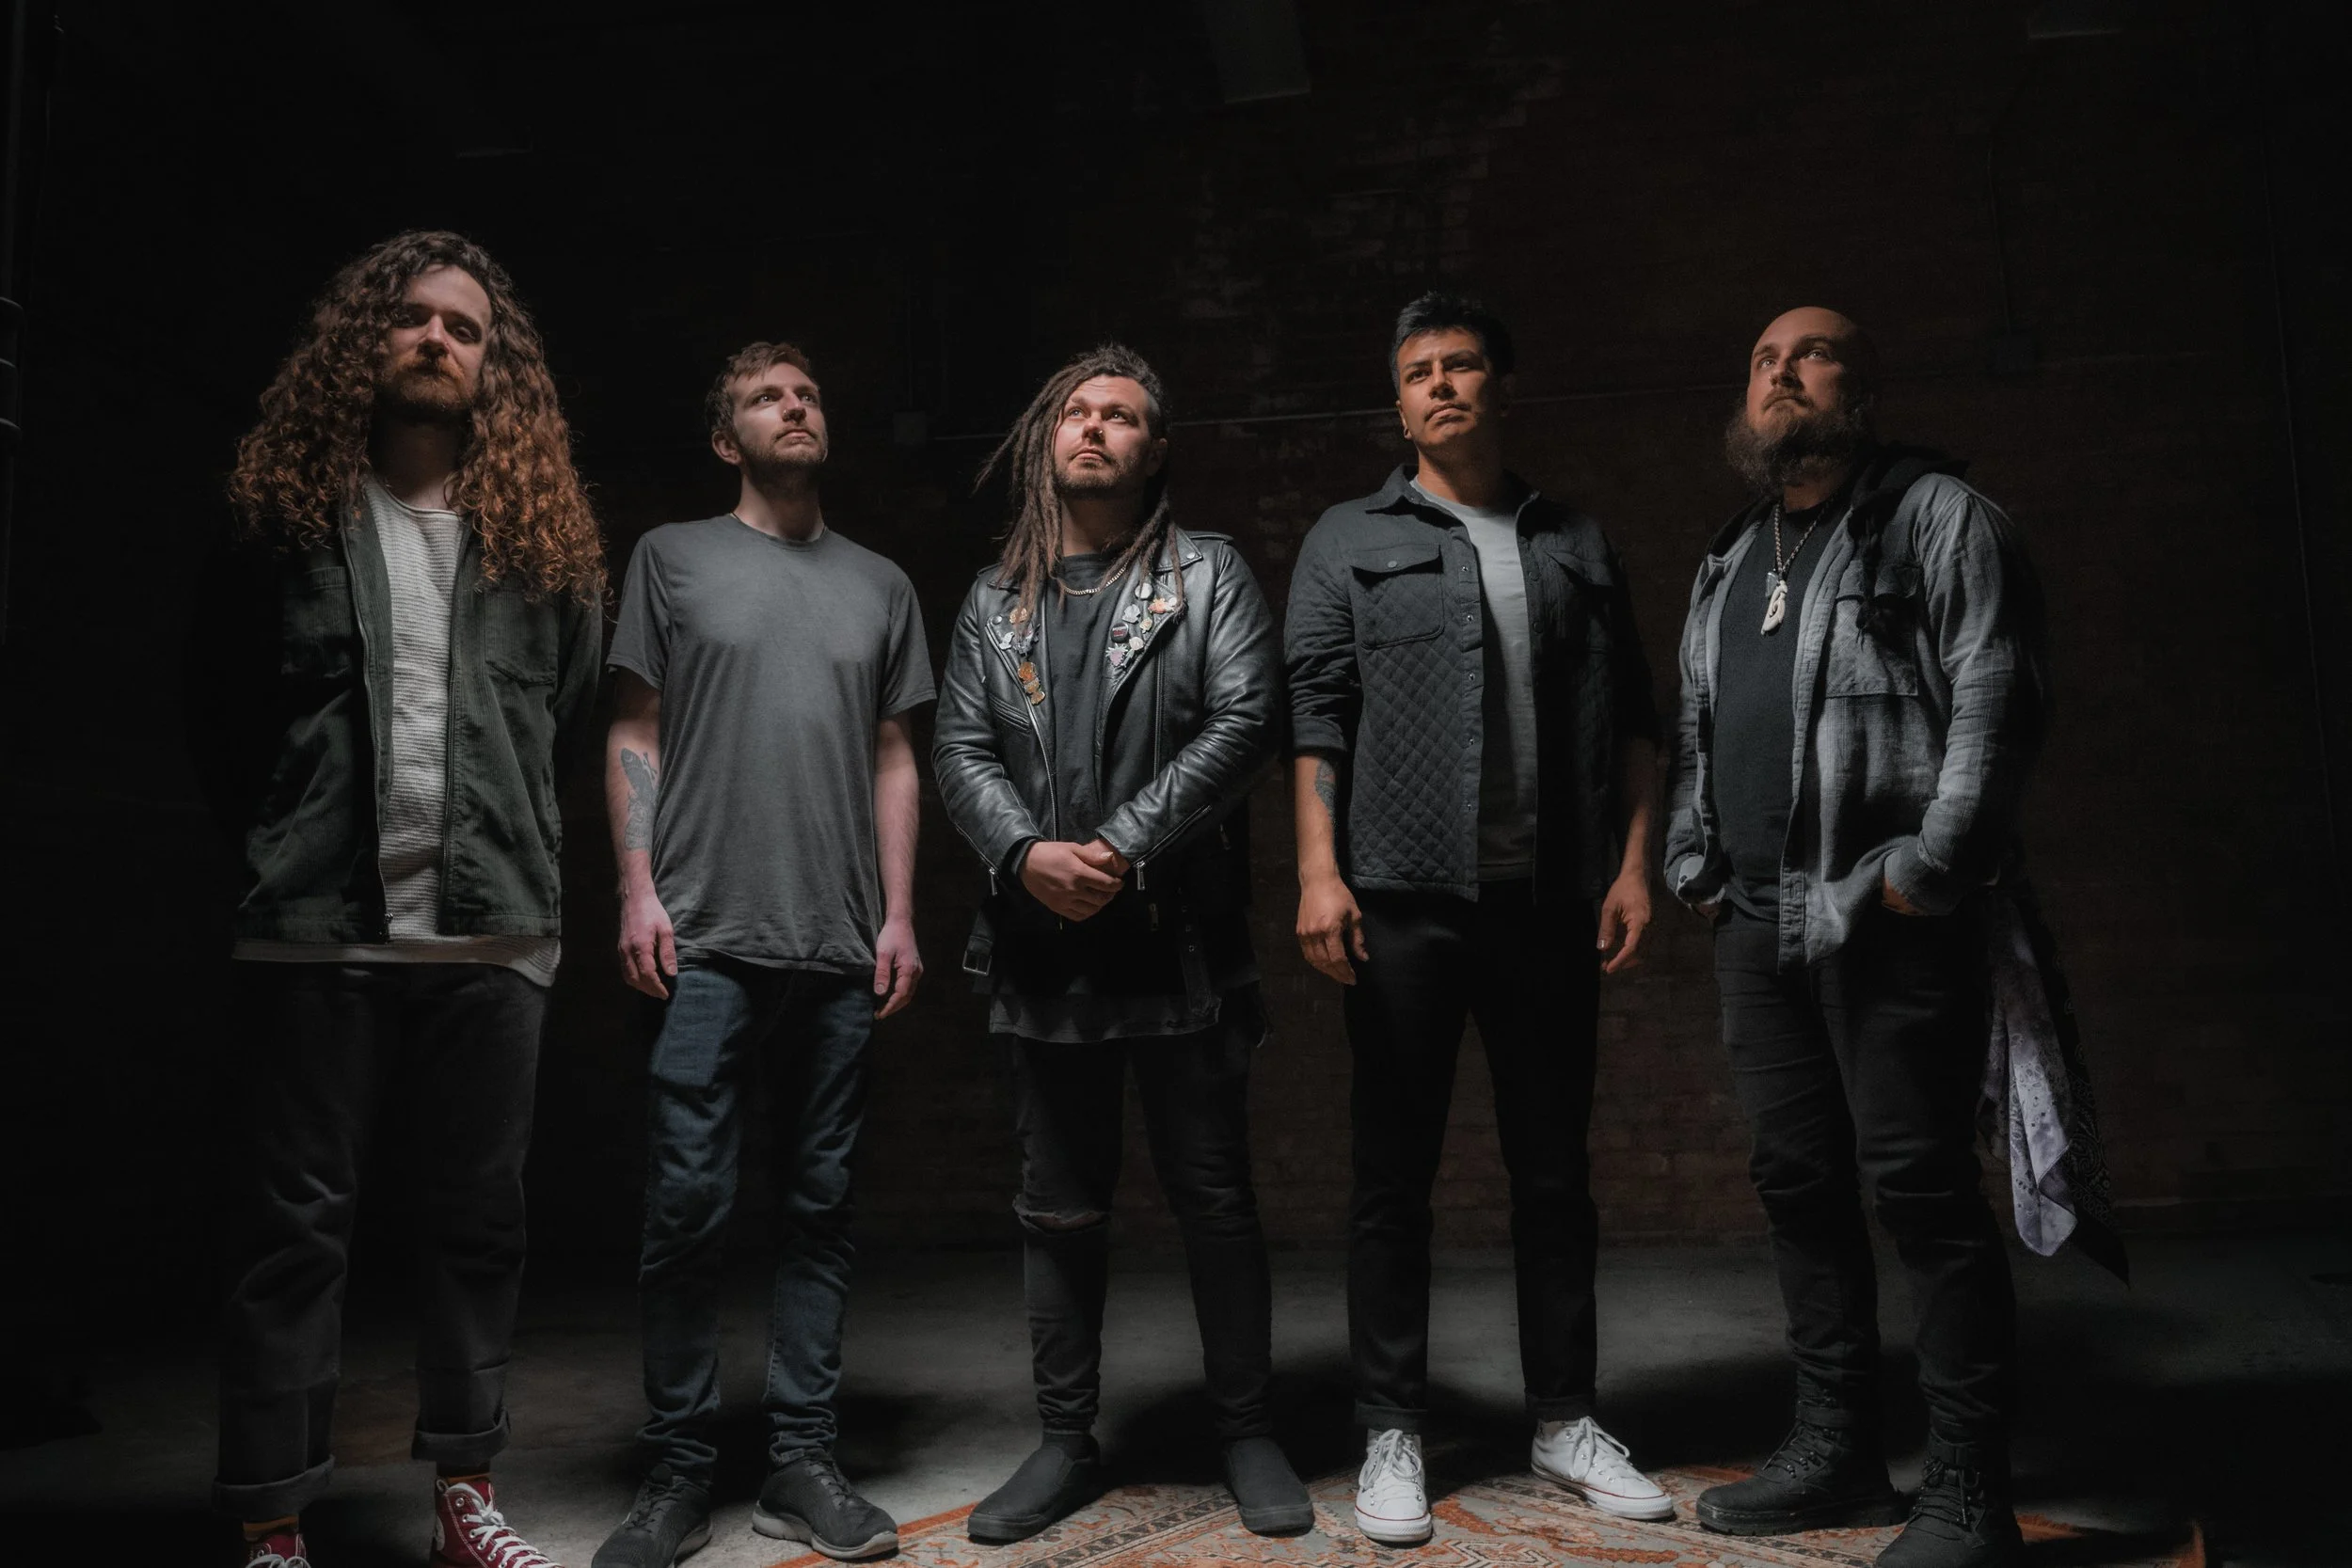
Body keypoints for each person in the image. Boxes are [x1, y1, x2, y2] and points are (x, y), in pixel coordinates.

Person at [194, 230, 605, 1568]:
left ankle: (465, 1497)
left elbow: (565, 716)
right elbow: (220, 718)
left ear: (496, 368)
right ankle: (271, 1526)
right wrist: (289, 846)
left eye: (465, 327)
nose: (436, 339)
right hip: (317, 930)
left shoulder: (541, 545)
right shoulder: (283, 519)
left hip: (491, 934)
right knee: (292, 1231)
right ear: (365, 340)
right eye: (414, 317)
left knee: (479, 1224)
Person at [1284, 293, 1672, 1545]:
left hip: (1549, 903)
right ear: (1399, 405)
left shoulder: (1575, 540)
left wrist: (1632, 868)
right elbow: (1315, 715)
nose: (1441, 385)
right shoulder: (1348, 537)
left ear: (1503, 385)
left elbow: (1636, 719)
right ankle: (1391, 1427)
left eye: (1461, 365)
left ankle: (1564, 1415)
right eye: (1419, 372)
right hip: (1401, 903)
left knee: (1553, 1171)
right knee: (1391, 1176)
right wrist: (1318, 872)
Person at [1669, 307, 2047, 1568]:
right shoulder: (1733, 552)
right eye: (1762, 358)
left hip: (1880, 915)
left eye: (1811, 353)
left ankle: (1970, 1491)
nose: (1781, 371)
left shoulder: (1941, 518)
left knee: (1921, 1190)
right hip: (1755, 919)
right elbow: (1697, 719)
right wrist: (1693, 860)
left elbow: (1994, 696)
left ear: (1863, 385)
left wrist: (1929, 870)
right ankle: (1838, 1445)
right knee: (1798, 1183)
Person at [932, 344, 1310, 1544]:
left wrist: (1118, 845)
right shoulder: (992, 598)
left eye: (1121, 415)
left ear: (1156, 449)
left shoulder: (1209, 574)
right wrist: (1023, 852)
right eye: (1077, 412)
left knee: (1215, 1198)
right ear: (1049, 439)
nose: (1094, 427)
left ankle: (1246, 1430)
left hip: (1180, 942)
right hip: (1042, 949)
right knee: (1056, 1208)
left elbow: (1248, 717)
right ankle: (1063, 1440)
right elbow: (959, 749)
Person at [590, 343, 930, 1568]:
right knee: (687, 1204)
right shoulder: (672, 557)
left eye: (809, 393)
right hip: (704, 937)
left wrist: (898, 912)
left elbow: (895, 752)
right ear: (726, 437)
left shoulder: (882, 583)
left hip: (836, 943)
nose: (797, 404)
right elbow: (634, 724)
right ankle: (679, 1468)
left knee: (820, 1202)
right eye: (767, 396)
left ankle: (800, 1457)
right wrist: (637, 888)